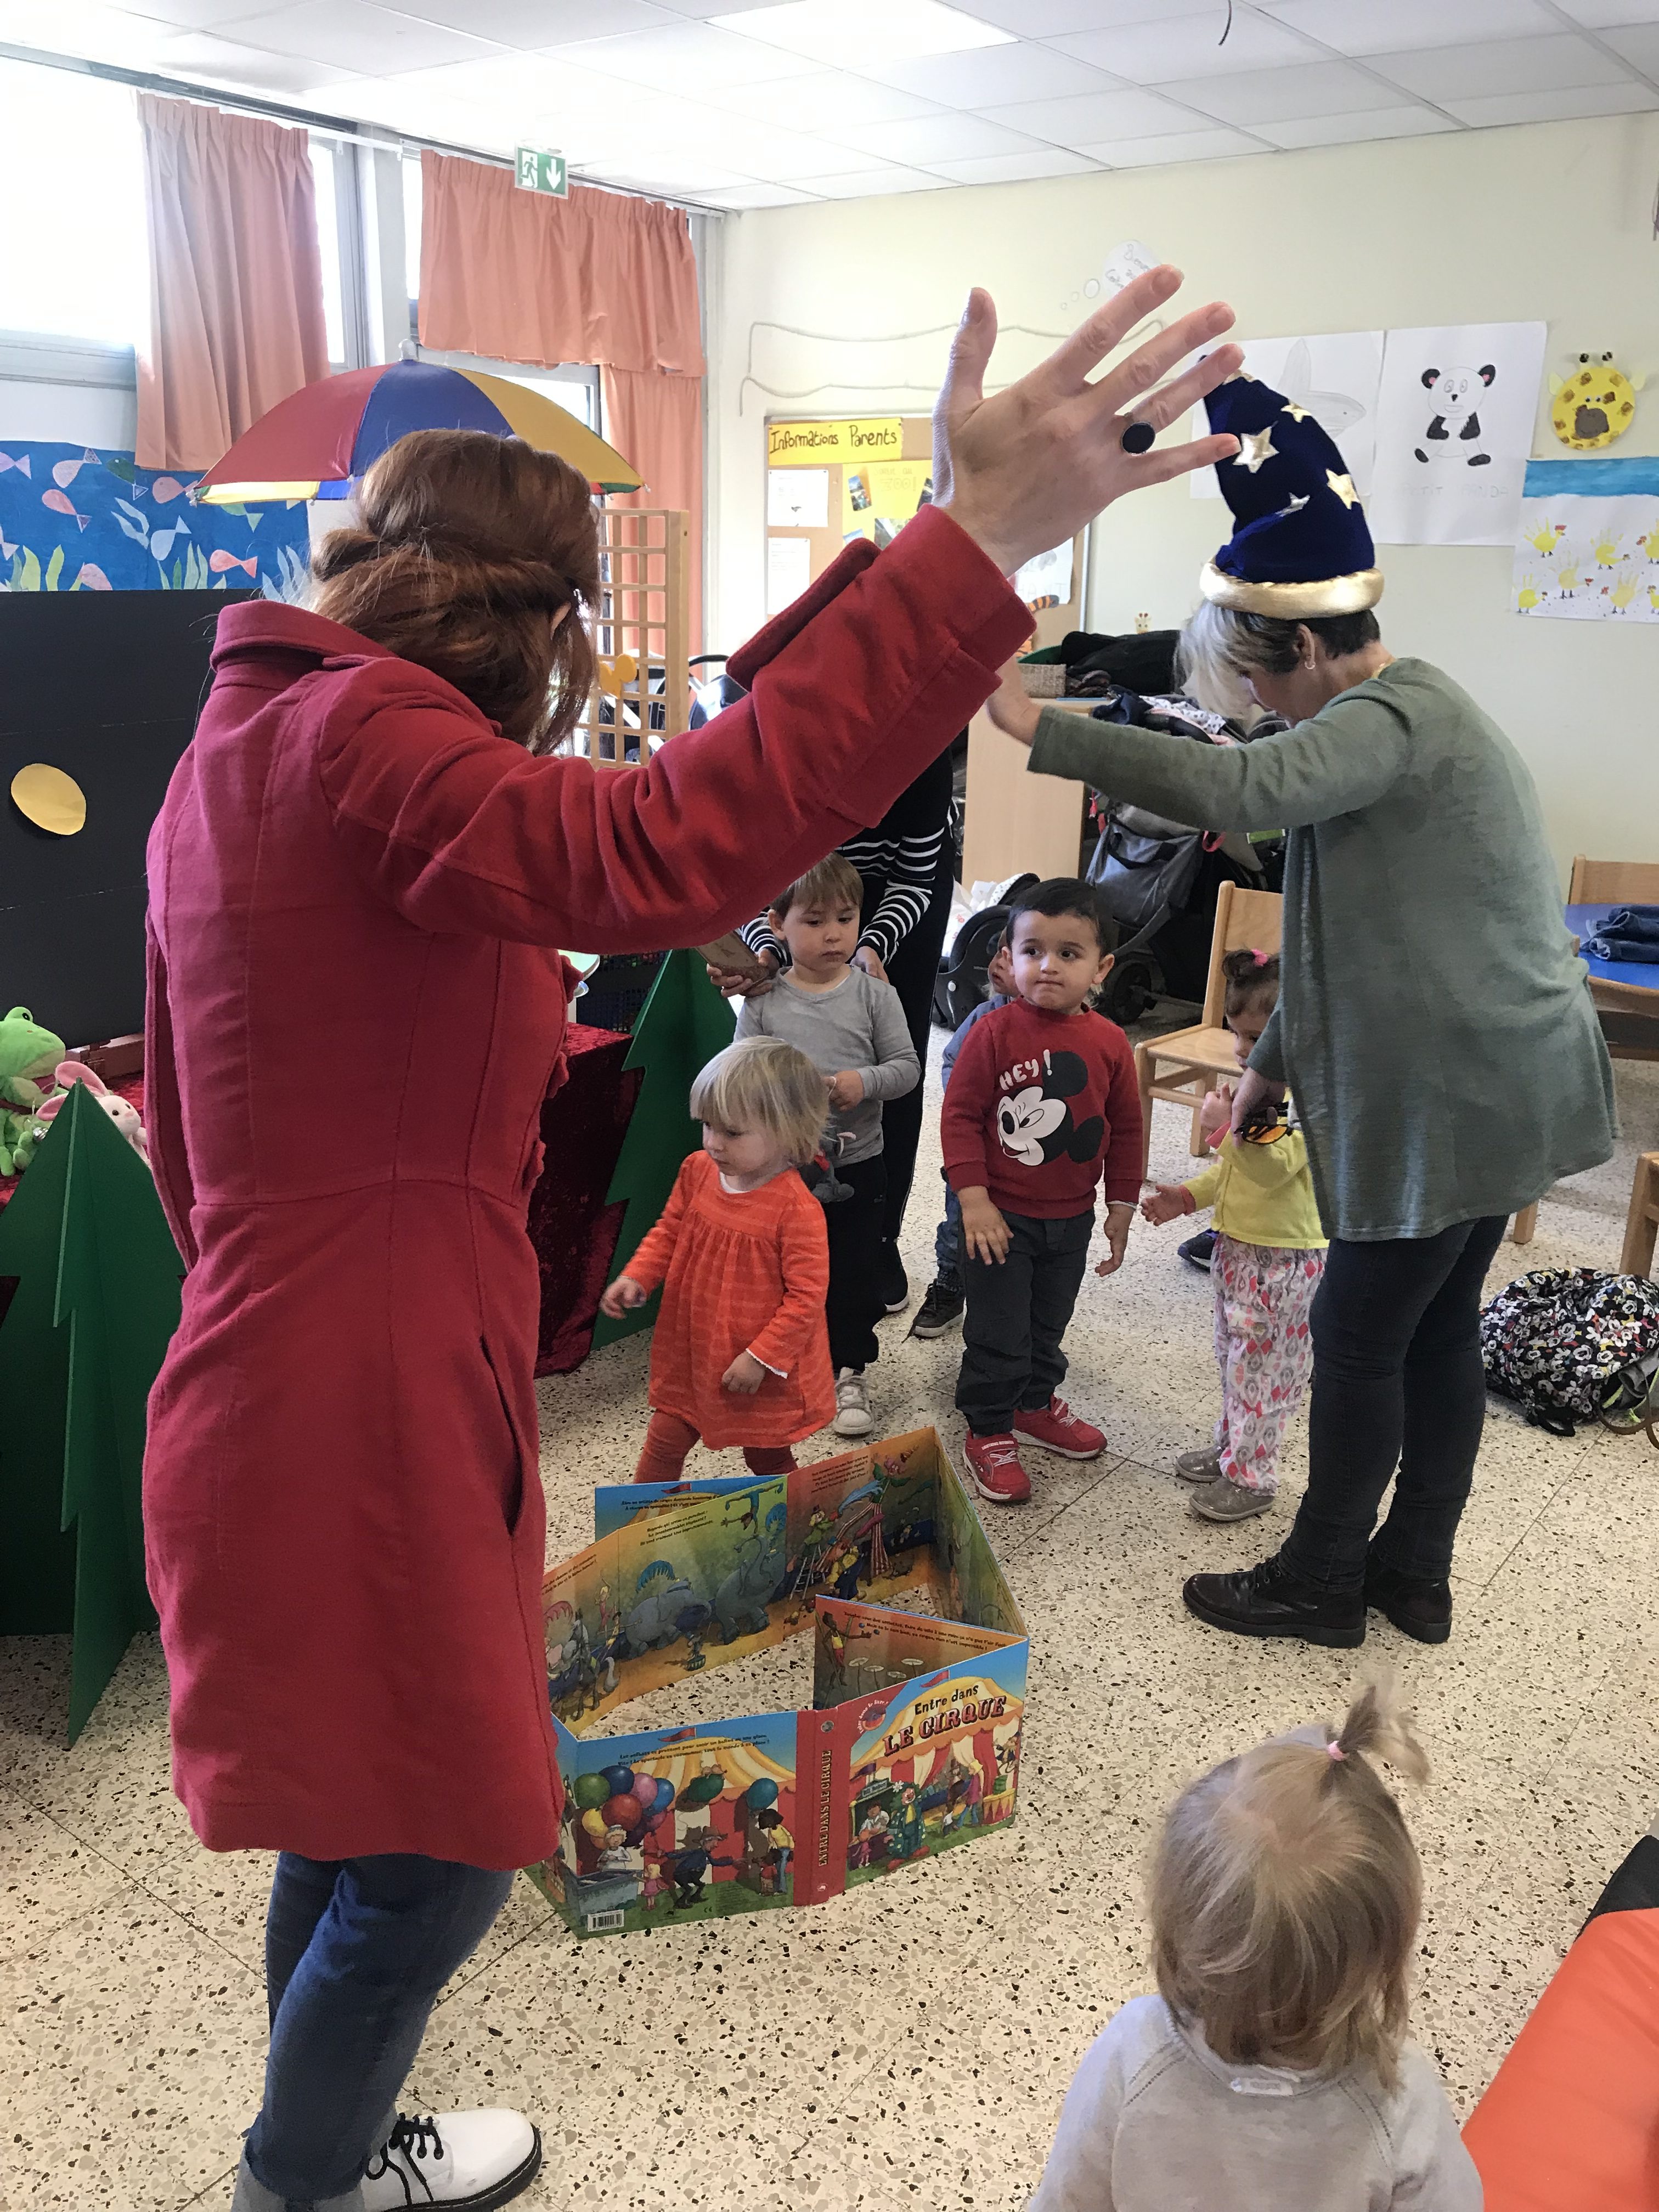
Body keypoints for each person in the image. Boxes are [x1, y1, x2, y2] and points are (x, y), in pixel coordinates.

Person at [142, 263, 1245, 2212]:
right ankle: (296, 2179)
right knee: (441, 1842)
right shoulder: (364, 744)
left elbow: (185, 1106)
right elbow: (659, 842)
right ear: (540, 631)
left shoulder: (260, 741)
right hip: (362, 1372)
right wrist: (972, 544)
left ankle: (322, 2143)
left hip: (301, 1346)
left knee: (358, 1801)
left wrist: (930, 542)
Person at [991, 367, 1614, 1646]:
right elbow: (1341, 940)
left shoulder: (1388, 718)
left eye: (1262, 684)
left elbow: (1240, 791)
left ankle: (1324, 1577)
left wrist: (1031, 724)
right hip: (1512, 1079)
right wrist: (1270, 1064)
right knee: (1436, 1333)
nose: (1261, 712)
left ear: (1313, 644)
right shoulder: (1401, 718)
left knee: (1358, 1331)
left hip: (1463, 1088)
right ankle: (1414, 1572)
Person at [1028, 1684, 1480, 2212]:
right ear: (1386, 1948)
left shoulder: (1135, 2050)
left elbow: (1068, 2199)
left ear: (1175, 1921)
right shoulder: (1399, 2100)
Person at [718, 751, 959, 1318]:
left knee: (889, 1044)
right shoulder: (761, 751)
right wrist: (766, 950)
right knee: (780, 1035)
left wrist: (872, 947)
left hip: (895, 883)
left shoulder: (919, 750)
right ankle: (780, 1230)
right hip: (785, 885)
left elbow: (915, 876)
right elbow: (744, 875)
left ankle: (877, 1238)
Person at [941, 878, 1144, 1504]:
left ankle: (1033, 1404)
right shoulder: (993, 1033)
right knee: (999, 1331)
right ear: (1009, 957)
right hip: (999, 1219)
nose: (1048, 965)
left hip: (1072, 1219)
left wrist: (1121, 1205)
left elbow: (1127, 1129)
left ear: (1101, 968)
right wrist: (974, 1201)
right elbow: (959, 1117)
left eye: (1068, 953)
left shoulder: (1111, 1043)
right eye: (1033, 951)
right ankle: (988, 1427)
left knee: (1048, 1323)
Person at [734, 855, 920, 1438]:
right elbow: (739, 1075)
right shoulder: (764, 1000)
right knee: (782, 1273)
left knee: (852, 1272)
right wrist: (780, 1096)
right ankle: (782, 1360)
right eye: (814, 921)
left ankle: (849, 1370)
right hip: (781, 1172)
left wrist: (861, 1082)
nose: (834, 934)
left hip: (858, 1165)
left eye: (846, 918)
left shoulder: (875, 996)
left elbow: (906, 1068)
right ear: (778, 926)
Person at [1141, 950, 1327, 1524]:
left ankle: (1252, 1477)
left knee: (1264, 1379)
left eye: (1257, 1038)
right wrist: (1187, 1197)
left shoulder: (1309, 1100)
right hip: (1241, 1255)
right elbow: (1234, 1171)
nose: (1244, 1051)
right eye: (1238, 1035)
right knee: (1236, 1365)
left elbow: (1270, 1168)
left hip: (1283, 1265)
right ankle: (1232, 1451)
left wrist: (1225, 1127)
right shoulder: (1260, 1087)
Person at [601, 1037, 834, 1483]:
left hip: (757, 1363)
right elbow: (670, 1230)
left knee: (766, 1457)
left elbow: (807, 1299)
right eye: (708, 1126)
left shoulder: (796, 1210)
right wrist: (639, 1275)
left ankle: (799, 1517)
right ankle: (639, 1521)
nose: (713, 1143)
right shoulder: (696, 1171)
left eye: (732, 1132)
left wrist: (761, 1357)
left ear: (788, 1130)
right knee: (666, 1438)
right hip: (694, 1348)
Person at [910, 932, 1015, 1339]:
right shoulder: (985, 1017)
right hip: (974, 1151)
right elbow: (952, 1060)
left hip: (1026, 1159)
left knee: (1015, 1234)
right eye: (999, 952)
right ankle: (951, 1286)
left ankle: (1005, 1298)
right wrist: (969, 1098)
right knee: (958, 1225)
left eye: (1017, 954)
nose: (999, 962)